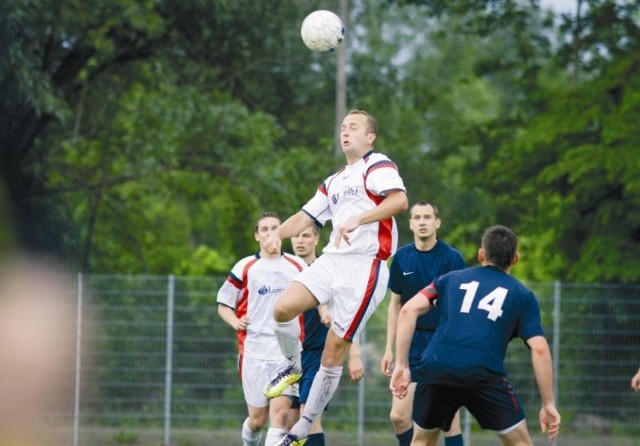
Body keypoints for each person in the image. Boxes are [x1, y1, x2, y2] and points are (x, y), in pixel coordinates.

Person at [261, 109, 409, 446]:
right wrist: (277, 235)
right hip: (333, 259)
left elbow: (399, 201)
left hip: (366, 266)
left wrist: (360, 218)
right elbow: (306, 215)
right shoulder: (335, 180)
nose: (345, 132)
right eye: (342, 127)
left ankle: (302, 428)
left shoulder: (377, 165)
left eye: (353, 127)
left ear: (370, 137)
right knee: (282, 309)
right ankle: (292, 366)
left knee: (333, 352)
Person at [390, 225, 561, 446]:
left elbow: (407, 310)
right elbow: (539, 348)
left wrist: (401, 366)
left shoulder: (448, 279)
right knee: (520, 443)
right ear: (515, 259)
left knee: (421, 441)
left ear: (481, 254)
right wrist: (548, 404)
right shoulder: (523, 295)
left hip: (437, 367)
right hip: (483, 373)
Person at [217, 212, 307, 446]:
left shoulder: (297, 265)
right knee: (257, 420)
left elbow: (316, 294)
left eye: (275, 228)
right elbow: (224, 305)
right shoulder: (246, 266)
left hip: (286, 353)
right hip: (254, 352)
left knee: (281, 416)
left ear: (283, 232)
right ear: (257, 236)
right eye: (264, 229)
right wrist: (236, 321)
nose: (270, 233)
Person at [381, 202, 465, 446]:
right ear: (410, 224)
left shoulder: (453, 259)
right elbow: (395, 304)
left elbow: (459, 309)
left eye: (428, 217)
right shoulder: (402, 258)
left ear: (437, 222)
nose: (422, 222)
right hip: (411, 345)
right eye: (417, 217)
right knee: (398, 416)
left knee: (448, 420)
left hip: (441, 344)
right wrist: (390, 348)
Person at [286, 224, 365, 446]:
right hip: (289, 357)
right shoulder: (285, 270)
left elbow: (348, 314)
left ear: (316, 239)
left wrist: (354, 354)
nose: (300, 240)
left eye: (306, 235)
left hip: (319, 355)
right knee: (287, 421)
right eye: (296, 235)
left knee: (308, 419)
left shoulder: (329, 271)